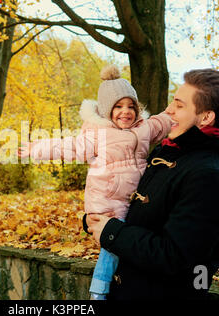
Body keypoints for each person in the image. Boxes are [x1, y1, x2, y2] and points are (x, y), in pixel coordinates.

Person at [85, 68, 219, 300]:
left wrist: (111, 233)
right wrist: (97, 217)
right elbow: (139, 209)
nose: (168, 110)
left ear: (206, 117)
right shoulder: (168, 152)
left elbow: (175, 256)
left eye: (179, 105)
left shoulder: (209, 177)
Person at [19, 65, 172, 300]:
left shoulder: (144, 128)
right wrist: (36, 148)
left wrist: (181, 110)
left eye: (131, 106)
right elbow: (68, 146)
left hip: (134, 199)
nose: (126, 112)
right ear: (106, 111)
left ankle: (128, 284)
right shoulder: (97, 133)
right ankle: (98, 292)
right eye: (118, 107)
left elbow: (164, 122)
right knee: (112, 246)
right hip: (107, 200)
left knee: (134, 240)